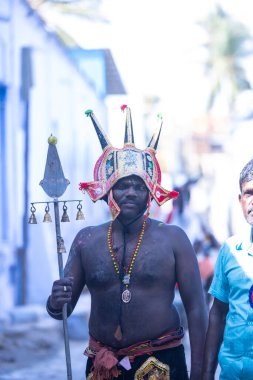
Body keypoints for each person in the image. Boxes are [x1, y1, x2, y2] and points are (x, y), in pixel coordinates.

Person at [46, 105, 207, 380]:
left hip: (162, 364)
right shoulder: (87, 240)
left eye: (139, 185)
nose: (130, 192)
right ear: (108, 189)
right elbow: (62, 311)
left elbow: (197, 308)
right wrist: (54, 300)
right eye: (122, 185)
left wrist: (201, 374)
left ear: (150, 192)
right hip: (102, 365)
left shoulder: (173, 239)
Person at [202, 158, 253, 380]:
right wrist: (206, 373)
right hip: (233, 373)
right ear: (240, 200)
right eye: (249, 193)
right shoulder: (230, 250)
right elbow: (218, 314)